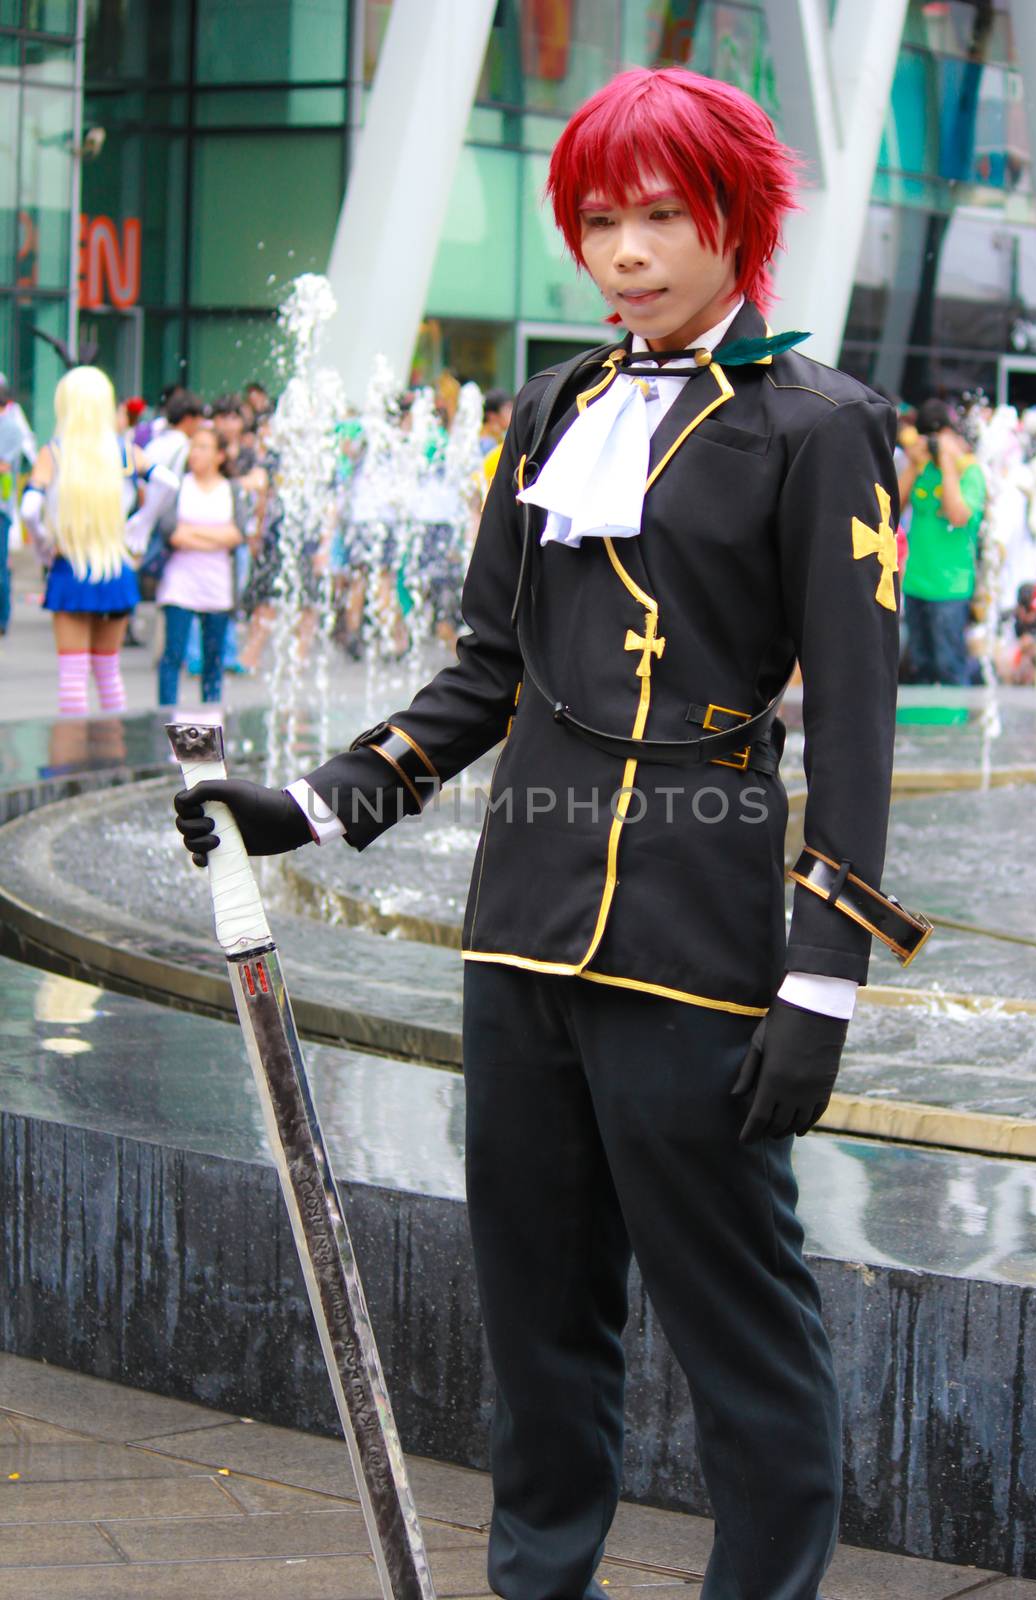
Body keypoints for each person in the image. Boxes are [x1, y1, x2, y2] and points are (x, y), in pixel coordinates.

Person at [175, 67, 916, 1600]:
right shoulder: (551, 408)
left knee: (742, 1341)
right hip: (519, 930)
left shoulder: (819, 424)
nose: (627, 252)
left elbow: (852, 721)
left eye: (661, 215)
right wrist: (313, 802)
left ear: (737, 222)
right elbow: (482, 673)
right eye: (598, 220)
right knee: (535, 1322)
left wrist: (819, 979)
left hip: (694, 942)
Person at [19, 366, 176, 715]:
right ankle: (113, 756)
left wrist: (44, 544)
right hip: (115, 566)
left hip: (70, 567)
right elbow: (168, 482)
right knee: (108, 673)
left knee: (73, 677)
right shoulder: (124, 451)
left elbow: (30, 507)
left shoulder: (55, 452)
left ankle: (72, 763)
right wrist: (141, 523)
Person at [897, 397, 986, 685]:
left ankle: (955, 728)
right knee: (919, 668)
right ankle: (924, 729)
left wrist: (948, 461)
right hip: (916, 583)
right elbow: (889, 509)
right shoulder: (922, 469)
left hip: (950, 588)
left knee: (949, 668)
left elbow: (958, 515)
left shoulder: (970, 472)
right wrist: (912, 464)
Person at [156, 422, 244, 708]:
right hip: (180, 583)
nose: (196, 453)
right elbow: (171, 532)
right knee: (173, 655)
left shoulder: (230, 490)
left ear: (220, 455)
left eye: (204, 447)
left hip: (216, 586)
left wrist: (193, 533)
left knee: (213, 661)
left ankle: (209, 722)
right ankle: (165, 719)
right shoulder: (179, 486)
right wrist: (215, 537)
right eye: (193, 447)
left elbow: (235, 534)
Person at [0, 380, 38, 636]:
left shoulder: (11, 428)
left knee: (0, 567)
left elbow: (4, 465)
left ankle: (2, 618)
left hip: (1, 507)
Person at [479, 388, 513, 457]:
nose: (512, 412)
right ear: (492, 416)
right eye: (508, 409)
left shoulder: (500, 437)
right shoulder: (486, 444)